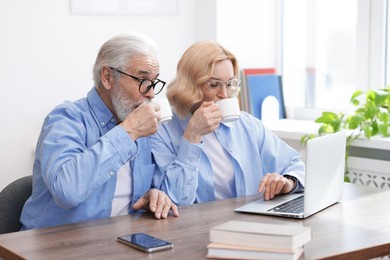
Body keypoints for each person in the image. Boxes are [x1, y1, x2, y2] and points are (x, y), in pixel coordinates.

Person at [20, 32, 179, 230]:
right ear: (107, 77)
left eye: (154, 82)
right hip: (54, 246)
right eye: (142, 80)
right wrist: (129, 132)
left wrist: (154, 195)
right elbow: (67, 191)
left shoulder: (139, 121)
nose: (150, 92)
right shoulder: (66, 118)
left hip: (117, 242)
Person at [151, 40, 305, 206]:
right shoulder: (162, 131)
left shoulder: (246, 124)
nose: (224, 94)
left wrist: (287, 182)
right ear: (189, 86)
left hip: (248, 223)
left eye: (230, 84)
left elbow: (295, 164)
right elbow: (175, 200)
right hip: (197, 228)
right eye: (214, 84)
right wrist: (192, 136)